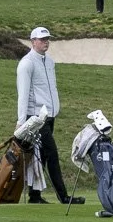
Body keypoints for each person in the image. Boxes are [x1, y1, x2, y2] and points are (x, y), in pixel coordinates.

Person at [16, 27, 83, 206]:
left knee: (43, 157)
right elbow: (23, 95)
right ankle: (63, 197)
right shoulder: (27, 63)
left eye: (47, 39)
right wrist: (21, 122)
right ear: (33, 41)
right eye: (42, 39)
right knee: (52, 153)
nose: (46, 42)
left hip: (49, 116)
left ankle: (35, 196)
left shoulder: (49, 62)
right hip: (36, 118)